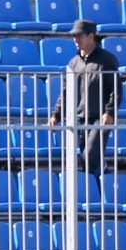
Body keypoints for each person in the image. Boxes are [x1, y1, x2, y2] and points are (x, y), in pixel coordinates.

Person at [47, 19, 119, 181]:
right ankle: (98, 191)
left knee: (90, 156)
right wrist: (56, 115)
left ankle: (104, 173)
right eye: (74, 36)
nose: (75, 40)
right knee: (85, 161)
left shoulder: (107, 60)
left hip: (99, 117)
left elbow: (115, 88)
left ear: (91, 36)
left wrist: (109, 112)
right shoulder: (73, 63)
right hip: (78, 117)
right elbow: (65, 92)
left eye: (79, 36)